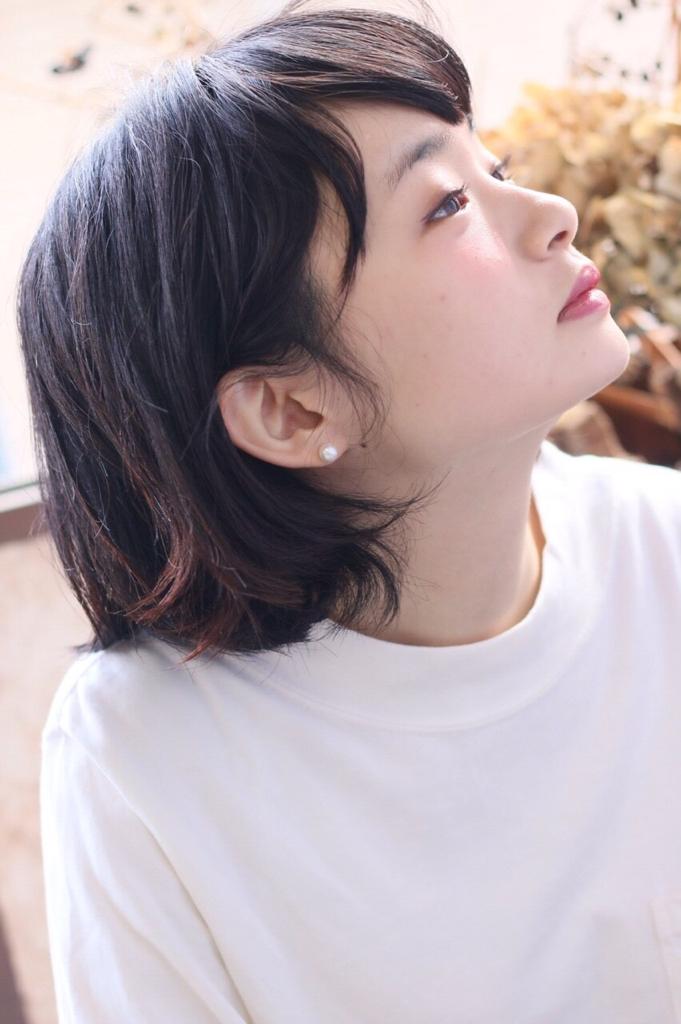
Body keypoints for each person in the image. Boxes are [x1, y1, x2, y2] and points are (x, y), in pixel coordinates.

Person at [18, 1, 681, 1020]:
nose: (551, 212)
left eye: (495, 167)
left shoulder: (662, 547)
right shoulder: (143, 750)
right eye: (447, 205)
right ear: (291, 408)